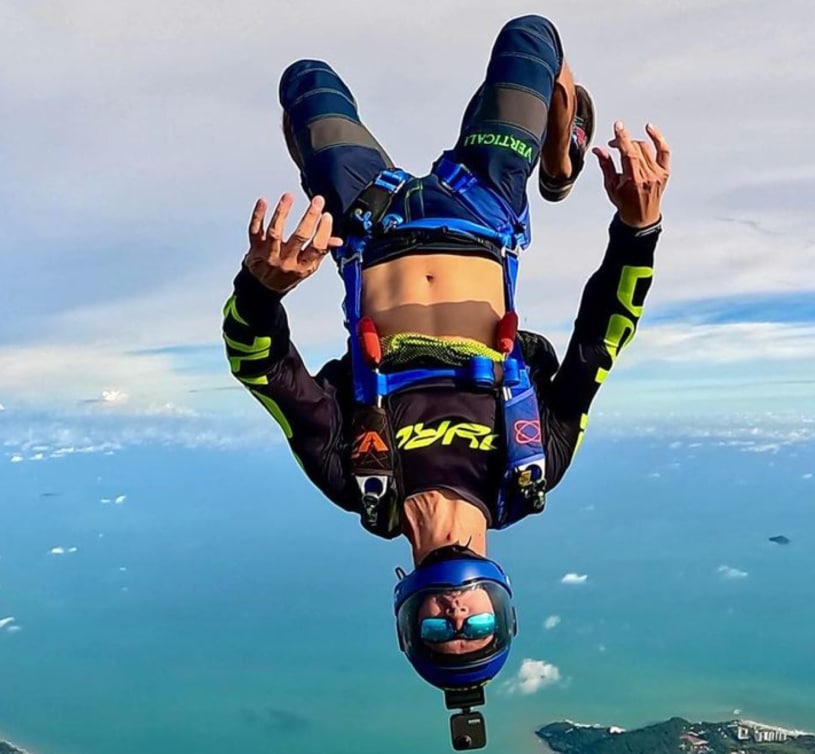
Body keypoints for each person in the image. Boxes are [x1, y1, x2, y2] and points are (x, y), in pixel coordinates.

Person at [222, 14, 669, 711]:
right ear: (504, 604)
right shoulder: (528, 472)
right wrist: (637, 229)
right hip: (481, 206)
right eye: (478, 627)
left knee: (304, 81)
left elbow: (261, 370)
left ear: (406, 617)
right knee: (532, 34)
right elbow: (596, 347)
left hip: (367, 220)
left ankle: (343, 159)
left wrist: (261, 285)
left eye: (438, 630)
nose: (457, 615)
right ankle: (562, 158)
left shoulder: (359, 479)